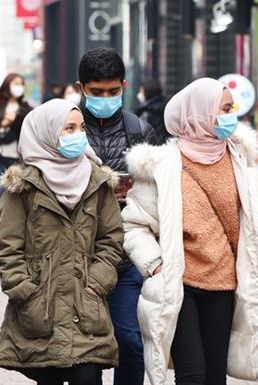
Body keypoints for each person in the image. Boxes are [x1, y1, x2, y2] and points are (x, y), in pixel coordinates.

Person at [122, 77, 258, 385]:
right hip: (179, 284)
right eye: (225, 109)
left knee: (215, 376)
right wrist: (155, 265)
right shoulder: (162, 165)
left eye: (233, 109)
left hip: (223, 285)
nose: (232, 116)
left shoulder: (241, 162)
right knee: (192, 375)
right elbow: (134, 224)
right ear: (198, 113)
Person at [0, 99, 124, 385]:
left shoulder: (97, 183)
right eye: (69, 128)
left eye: (80, 128)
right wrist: (25, 290)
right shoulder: (24, 188)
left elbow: (112, 239)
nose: (77, 135)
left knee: (88, 378)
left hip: (86, 308)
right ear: (48, 133)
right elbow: (8, 247)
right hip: (42, 311)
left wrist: (97, 282)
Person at [76, 47, 160, 385]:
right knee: (84, 350)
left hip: (125, 253)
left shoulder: (139, 129)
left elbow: (157, 195)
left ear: (124, 85)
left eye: (113, 91)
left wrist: (133, 193)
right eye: (97, 92)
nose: (106, 98)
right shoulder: (66, 128)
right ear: (81, 87)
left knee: (130, 340)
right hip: (77, 255)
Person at [0, 73, 32, 224]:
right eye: (15, 83)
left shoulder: (25, 109)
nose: (18, 87)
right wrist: (1, 124)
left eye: (21, 83)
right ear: (7, 85)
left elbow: (25, 131)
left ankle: (14, 225)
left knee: (17, 192)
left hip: (16, 157)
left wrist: (14, 121)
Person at [134, 78, 170, 145]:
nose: (139, 94)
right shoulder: (165, 106)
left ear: (147, 92)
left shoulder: (147, 112)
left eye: (141, 91)